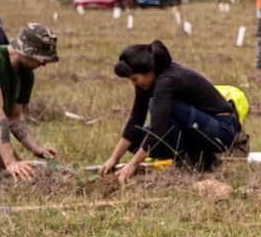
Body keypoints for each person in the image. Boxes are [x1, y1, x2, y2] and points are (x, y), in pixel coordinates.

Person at [100, 41, 240, 181]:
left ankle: (202, 157)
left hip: (223, 130)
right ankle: (192, 158)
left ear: (149, 71)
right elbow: (135, 120)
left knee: (157, 106)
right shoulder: (147, 83)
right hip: (194, 130)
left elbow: (158, 129)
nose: (134, 83)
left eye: (135, 79)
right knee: (136, 138)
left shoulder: (167, 81)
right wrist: (114, 158)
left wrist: (132, 164)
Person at [0, 23, 59, 180]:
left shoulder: (26, 74)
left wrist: (35, 148)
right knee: (7, 174)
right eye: (41, 59)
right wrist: (9, 161)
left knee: (23, 175)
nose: (44, 64)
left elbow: (14, 118)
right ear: (26, 52)